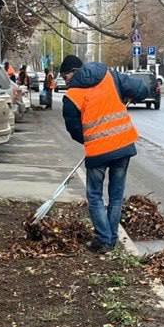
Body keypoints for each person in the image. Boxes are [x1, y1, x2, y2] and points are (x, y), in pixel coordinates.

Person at [59, 54, 145, 254]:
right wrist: (132, 96)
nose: (65, 81)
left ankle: (104, 239)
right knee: (116, 196)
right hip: (123, 145)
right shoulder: (109, 76)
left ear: (74, 72)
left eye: (65, 76)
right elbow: (140, 88)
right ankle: (111, 238)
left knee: (95, 195)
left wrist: (90, 138)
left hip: (98, 152)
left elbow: (74, 129)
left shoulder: (72, 96)